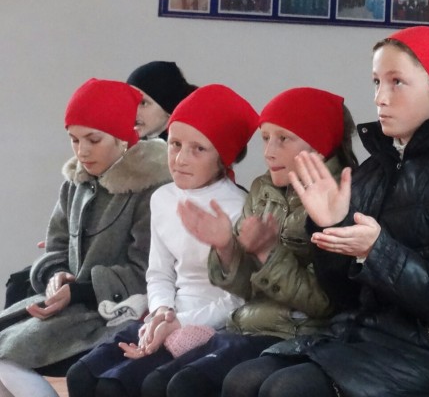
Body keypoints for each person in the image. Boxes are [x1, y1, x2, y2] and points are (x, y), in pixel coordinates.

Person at [222, 26, 429, 397]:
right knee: (241, 380)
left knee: (287, 389)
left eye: (397, 82)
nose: (380, 97)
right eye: (377, 82)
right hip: (362, 336)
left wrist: (377, 251)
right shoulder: (374, 170)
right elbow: (342, 298)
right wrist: (329, 226)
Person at [128, 87, 358, 397]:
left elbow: (324, 302)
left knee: (202, 384)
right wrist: (227, 248)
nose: (268, 152)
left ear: (318, 147)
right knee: (158, 381)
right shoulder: (263, 189)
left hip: (299, 331)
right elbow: (245, 289)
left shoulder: (343, 198)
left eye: (283, 139)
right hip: (246, 324)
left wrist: (267, 252)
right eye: (265, 138)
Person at [65, 84, 258, 397]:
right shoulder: (163, 197)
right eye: (175, 144)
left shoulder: (240, 208)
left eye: (198, 149)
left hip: (212, 325)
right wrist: (160, 313)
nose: (180, 158)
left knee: (118, 386)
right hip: (168, 314)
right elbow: (158, 273)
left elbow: (239, 299)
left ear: (223, 156)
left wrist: (177, 322)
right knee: (82, 375)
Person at [0, 78, 171, 396]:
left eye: (93, 139)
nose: (82, 151)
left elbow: (145, 271)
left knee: (8, 357)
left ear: (123, 138)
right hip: (73, 306)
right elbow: (57, 246)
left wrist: (79, 291)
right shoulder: (75, 184)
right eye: (74, 139)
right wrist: (55, 276)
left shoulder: (151, 189)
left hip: (117, 313)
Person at [127, 61, 196, 140]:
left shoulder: (187, 145)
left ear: (169, 108)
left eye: (143, 103)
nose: (133, 111)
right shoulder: (125, 143)